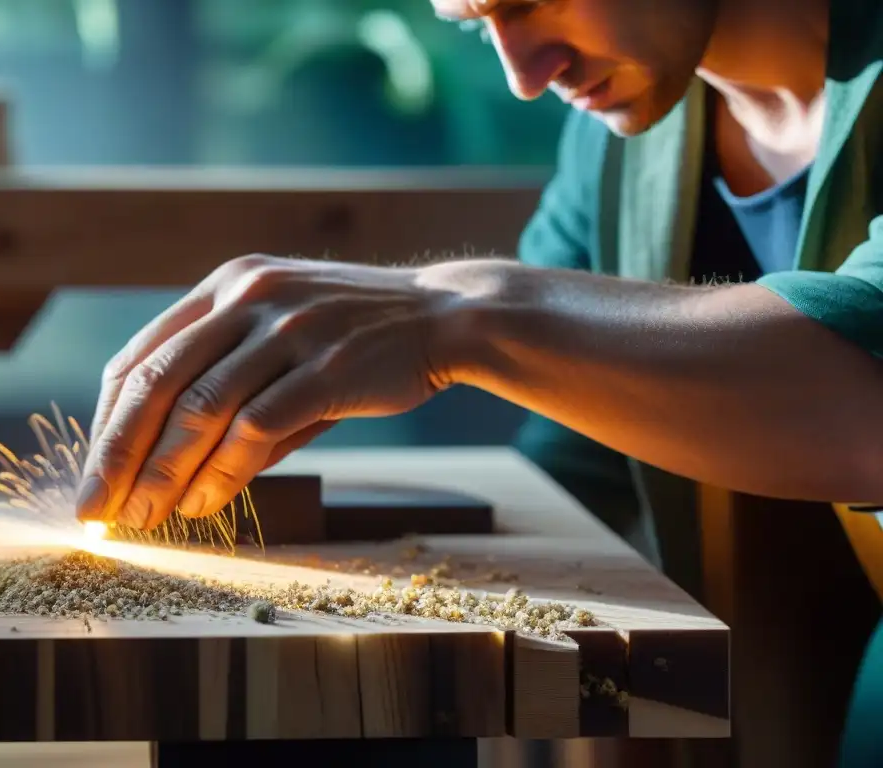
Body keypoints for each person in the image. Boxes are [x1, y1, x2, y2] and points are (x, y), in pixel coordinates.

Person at [77, 0, 883, 762]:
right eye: (477, 24)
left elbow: (864, 402)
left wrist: (454, 315)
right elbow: (582, 464)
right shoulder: (617, 142)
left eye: (533, 0)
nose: (524, 74)